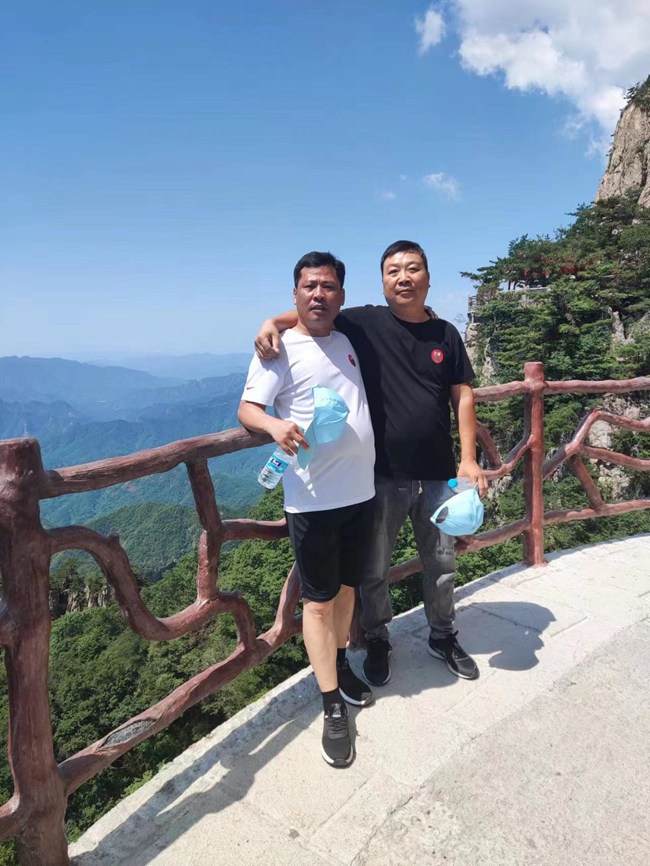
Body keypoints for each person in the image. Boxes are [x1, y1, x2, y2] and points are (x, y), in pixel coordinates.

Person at [255, 240, 487, 689]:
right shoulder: (365, 322)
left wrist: (468, 458)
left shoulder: (446, 335)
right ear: (382, 283)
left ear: (427, 278)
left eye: (412, 269)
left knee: (442, 561)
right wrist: (271, 323)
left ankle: (443, 635)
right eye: (393, 271)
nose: (403, 278)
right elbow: (313, 312)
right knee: (373, 568)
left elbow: (463, 395)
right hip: (380, 475)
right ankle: (378, 639)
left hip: (439, 471)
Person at [238, 251, 376, 768]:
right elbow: (247, 408)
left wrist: (271, 318)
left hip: (360, 492)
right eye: (309, 286)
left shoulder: (347, 339)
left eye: (328, 286)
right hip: (313, 500)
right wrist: (273, 425)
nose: (319, 294)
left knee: (346, 590)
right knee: (317, 603)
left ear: (341, 295)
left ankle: (340, 666)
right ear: (295, 293)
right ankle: (330, 703)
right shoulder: (277, 350)